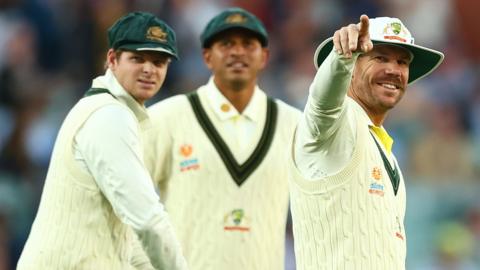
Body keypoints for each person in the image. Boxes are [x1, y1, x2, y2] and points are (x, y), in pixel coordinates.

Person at [17, 12, 188, 270]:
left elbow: (134, 234)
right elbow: (148, 221)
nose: (149, 69)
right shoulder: (110, 116)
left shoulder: (108, 109)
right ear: (112, 60)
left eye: (159, 61)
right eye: (137, 58)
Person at [144, 7, 300, 270]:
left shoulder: (294, 124)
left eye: (248, 44)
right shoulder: (166, 117)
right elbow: (129, 200)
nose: (237, 51)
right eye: (226, 43)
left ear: (264, 57)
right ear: (207, 56)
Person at [289, 15, 444, 269]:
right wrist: (342, 56)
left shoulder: (386, 151)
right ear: (351, 68)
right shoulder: (333, 125)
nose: (394, 69)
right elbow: (322, 104)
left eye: (402, 62)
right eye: (379, 57)